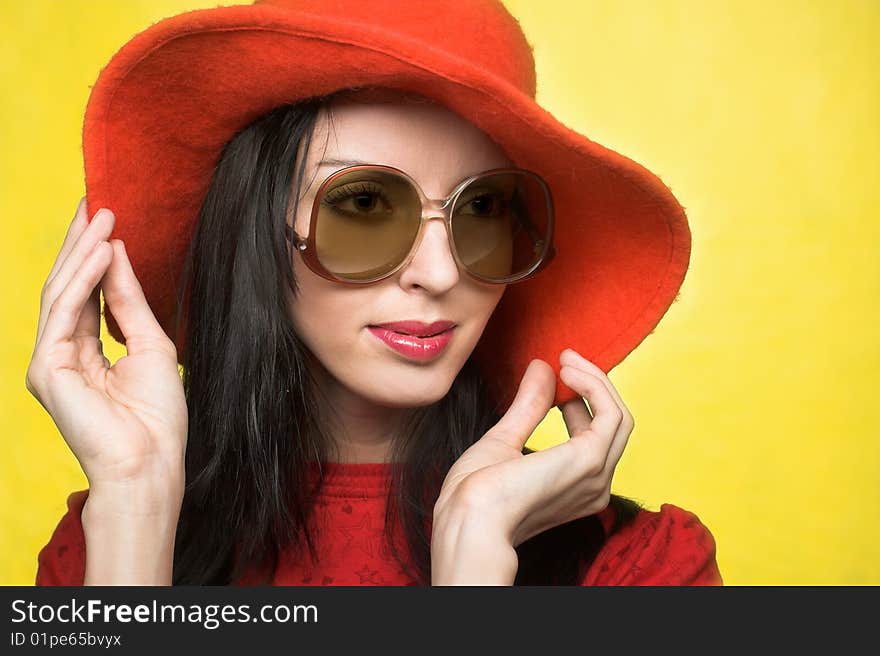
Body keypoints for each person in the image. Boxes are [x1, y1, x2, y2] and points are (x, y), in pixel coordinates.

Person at [27, 0, 722, 585]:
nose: (442, 273)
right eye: (363, 204)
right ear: (256, 230)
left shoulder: (637, 569)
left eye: (481, 211)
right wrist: (135, 509)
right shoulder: (104, 550)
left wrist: (477, 561)